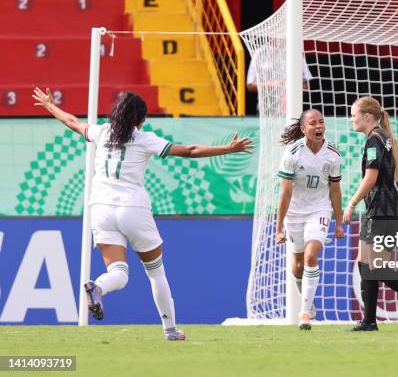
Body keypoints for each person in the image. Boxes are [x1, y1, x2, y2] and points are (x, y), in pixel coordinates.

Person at [33, 87, 253, 340]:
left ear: (115, 114)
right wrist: (227, 149)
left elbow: (72, 122)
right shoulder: (145, 139)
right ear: (141, 119)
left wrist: (50, 105)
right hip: (132, 208)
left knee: (119, 272)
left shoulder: (101, 132)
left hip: (101, 208)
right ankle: (170, 330)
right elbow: (190, 150)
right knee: (155, 272)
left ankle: (99, 287)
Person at [342, 96, 398, 331]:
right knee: (364, 265)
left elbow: (370, 178)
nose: (352, 119)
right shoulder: (385, 137)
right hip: (382, 212)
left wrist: (351, 203)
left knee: (378, 268)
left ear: (367, 117)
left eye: (354, 115)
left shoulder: (375, 141)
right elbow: (396, 178)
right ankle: (369, 320)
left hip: (381, 213)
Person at [276, 109, 344, 330]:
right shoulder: (292, 152)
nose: (319, 127)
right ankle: (306, 296)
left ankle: (304, 313)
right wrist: (279, 228)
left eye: (321, 122)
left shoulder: (333, 154)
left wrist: (339, 222)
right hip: (295, 212)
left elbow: (335, 190)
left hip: (319, 209)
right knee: (297, 267)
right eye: (313, 123)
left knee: (311, 255)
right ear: (304, 129)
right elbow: (285, 192)